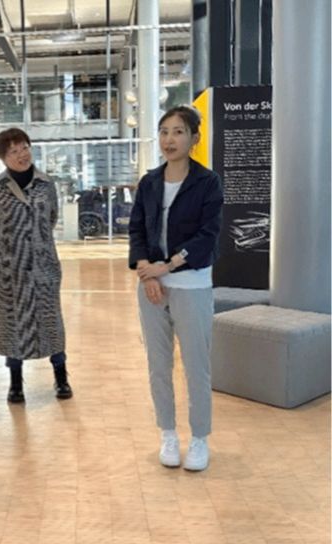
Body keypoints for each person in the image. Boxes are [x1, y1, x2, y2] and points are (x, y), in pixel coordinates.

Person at [128, 105, 223, 472]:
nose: (169, 139)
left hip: (192, 284)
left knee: (196, 366)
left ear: (194, 138)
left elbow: (207, 236)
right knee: (158, 365)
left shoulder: (207, 182)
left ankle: (199, 438)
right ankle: (167, 433)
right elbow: (137, 229)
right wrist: (148, 274)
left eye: (179, 131)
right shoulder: (149, 182)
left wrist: (166, 266)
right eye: (164, 131)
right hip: (151, 286)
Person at [0, 128, 73, 404]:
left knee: (52, 323)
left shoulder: (46, 184)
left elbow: (51, 218)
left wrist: (36, 244)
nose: (21, 154)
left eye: (24, 147)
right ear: (3, 158)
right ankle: (15, 383)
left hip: (43, 266)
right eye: (13, 151)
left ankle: (61, 376)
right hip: (8, 271)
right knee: (13, 325)